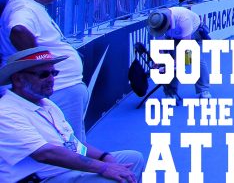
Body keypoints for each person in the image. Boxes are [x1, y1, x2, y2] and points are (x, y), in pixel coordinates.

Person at [0, 48, 144, 182]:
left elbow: (73, 144)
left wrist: (104, 157)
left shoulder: (47, 104)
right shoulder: (6, 112)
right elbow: (45, 153)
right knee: (115, 178)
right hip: (43, 179)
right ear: (18, 79)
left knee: (133, 159)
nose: (51, 79)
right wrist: (104, 167)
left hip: (65, 171)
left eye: (53, 73)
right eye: (44, 74)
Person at [0, 0, 92, 145]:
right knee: (68, 147)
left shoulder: (30, 5)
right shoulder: (24, 7)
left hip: (60, 88)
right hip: (57, 89)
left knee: (74, 145)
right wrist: (41, 68)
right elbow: (18, 30)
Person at [146, 7, 211, 99]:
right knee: (169, 61)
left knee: (196, 59)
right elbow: (160, 44)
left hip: (193, 35)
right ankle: (171, 92)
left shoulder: (184, 19)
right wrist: (158, 60)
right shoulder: (157, 23)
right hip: (174, 36)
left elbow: (186, 46)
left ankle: (204, 89)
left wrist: (177, 61)